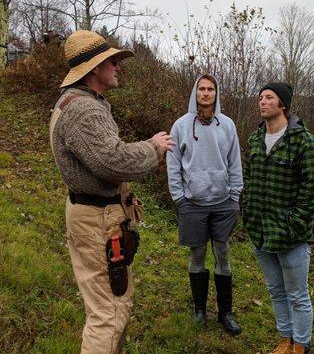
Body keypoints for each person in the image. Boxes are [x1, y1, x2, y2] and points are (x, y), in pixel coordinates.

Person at [49, 29, 175, 354]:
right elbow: (113, 162)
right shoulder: (83, 110)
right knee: (109, 313)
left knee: (107, 306)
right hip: (98, 222)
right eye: (112, 61)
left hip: (94, 217)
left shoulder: (80, 104)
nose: (118, 66)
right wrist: (154, 147)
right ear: (94, 69)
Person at [242, 82, 314, 354]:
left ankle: (301, 345)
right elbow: (248, 179)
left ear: (283, 105)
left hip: (291, 236)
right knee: (276, 291)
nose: (262, 102)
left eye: (269, 97)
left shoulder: (302, 141)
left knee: (298, 295)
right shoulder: (255, 139)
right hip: (261, 231)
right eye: (261, 98)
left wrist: (294, 223)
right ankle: (284, 340)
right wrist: (248, 214)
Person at [166, 74, 243, 335]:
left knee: (223, 254)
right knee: (197, 255)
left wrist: (234, 196)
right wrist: (179, 198)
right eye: (202, 89)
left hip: (223, 203)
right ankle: (200, 309)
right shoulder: (181, 126)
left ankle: (226, 312)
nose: (206, 93)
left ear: (216, 94)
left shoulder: (228, 125)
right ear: (195, 92)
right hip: (193, 204)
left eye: (211, 89)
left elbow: (235, 162)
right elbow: (173, 164)